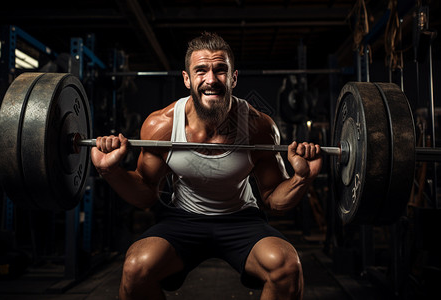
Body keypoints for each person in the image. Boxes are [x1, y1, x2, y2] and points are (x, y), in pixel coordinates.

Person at [91, 32, 323, 300]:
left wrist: (302, 178)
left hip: (240, 218)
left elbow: (273, 200)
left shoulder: (259, 127)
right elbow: (145, 193)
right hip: (182, 218)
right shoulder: (161, 126)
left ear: (233, 78)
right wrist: (110, 171)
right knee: (135, 269)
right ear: (187, 79)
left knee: (287, 266)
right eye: (201, 70)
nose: (211, 79)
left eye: (220, 70)